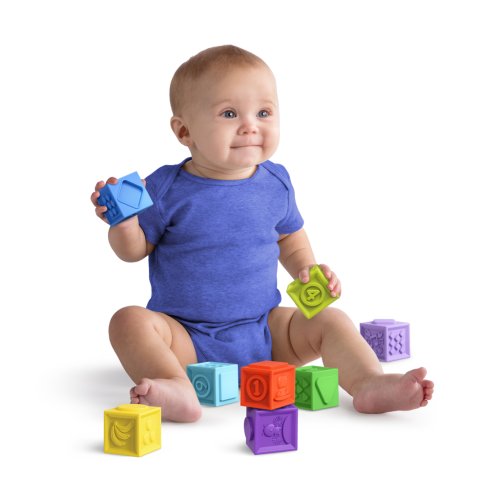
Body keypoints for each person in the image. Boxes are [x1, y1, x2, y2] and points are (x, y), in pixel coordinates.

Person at [91, 45, 434, 422]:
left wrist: (307, 269)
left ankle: (368, 382)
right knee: (128, 321)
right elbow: (133, 250)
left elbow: (289, 237)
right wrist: (124, 223)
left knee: (331, 320)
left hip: (267, 333)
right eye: (229, 113)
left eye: (264, 112)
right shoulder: (164, 187)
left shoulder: (276, 181)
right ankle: (175, 384)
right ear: (184, 130)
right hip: (184, 339)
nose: (250, 125)